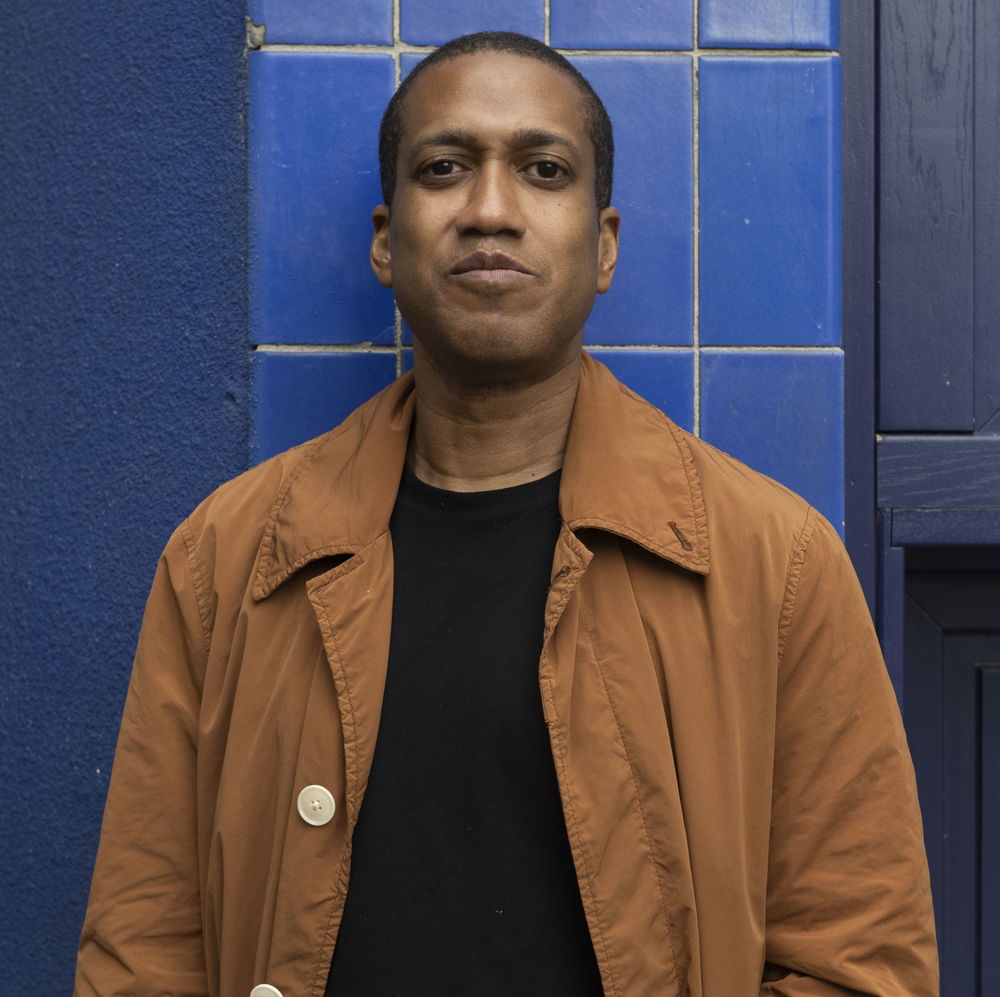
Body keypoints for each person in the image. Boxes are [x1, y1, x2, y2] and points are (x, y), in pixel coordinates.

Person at [75, 31, 937, 997]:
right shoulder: (224, 562)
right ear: (384, 240)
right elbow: (141, 957)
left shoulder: (774, 565)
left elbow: (861, 961)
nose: (490, 210)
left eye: (543, 169)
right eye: (444, 168)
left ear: (602, 244)